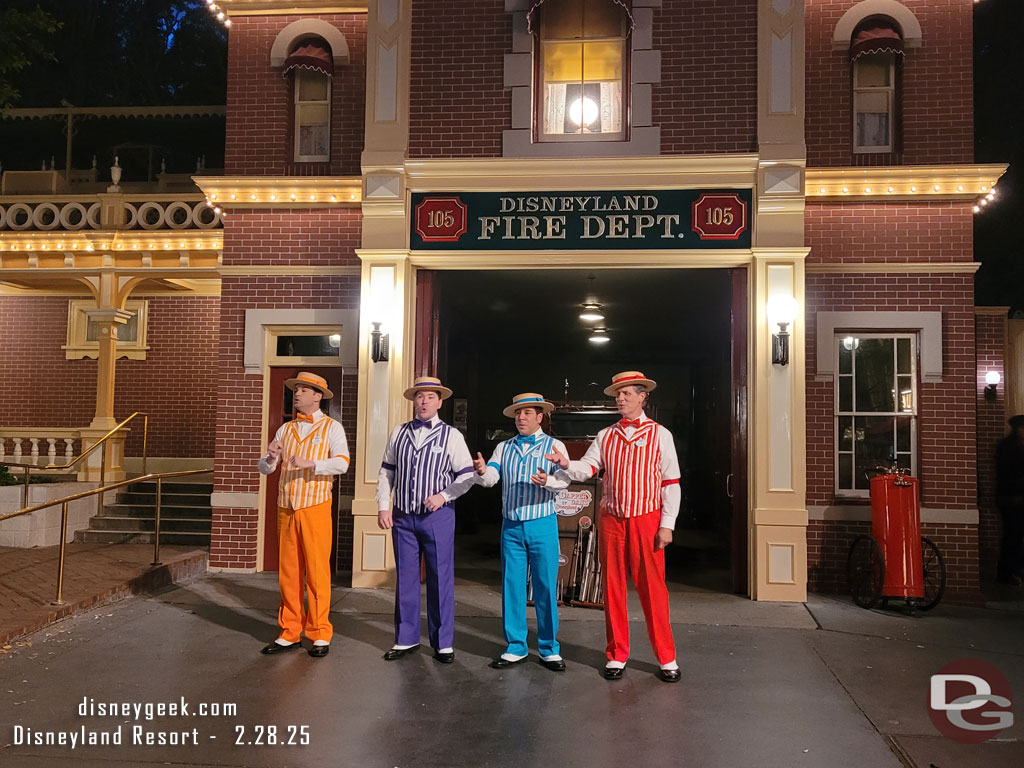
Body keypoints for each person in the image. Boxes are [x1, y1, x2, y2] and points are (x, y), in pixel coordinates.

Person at [546, 370, 681, 683]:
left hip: (647, 519)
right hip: (612, 520)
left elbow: (671, 483)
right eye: (618, 394)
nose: (621, 399)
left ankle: (667, 656)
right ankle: (617, 654)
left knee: (654, 590)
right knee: (613, 589)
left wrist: (667, 524)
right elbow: (589, 467)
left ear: (642, 396)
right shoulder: (606, 435)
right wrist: (567, 464)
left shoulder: (660, 435)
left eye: (627, 394)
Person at [376, 376, 476, 663]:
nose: (423, 401)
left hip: (438, 517)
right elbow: (387, 472)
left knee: (439, 577)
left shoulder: (452, 436)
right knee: (406, 579)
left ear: (439, 402)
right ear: (413, 400)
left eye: (430, 396)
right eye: (420, 396)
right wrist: (384, 506)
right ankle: (405, 639)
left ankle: (443, 642)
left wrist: (444, 495)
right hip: (403, 517)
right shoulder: (399, 432)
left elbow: (467, 476)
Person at [473, 393, 570, 672]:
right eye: (518, 413)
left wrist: (548, 480)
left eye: (527, 413)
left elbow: (564, 481)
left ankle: (549, 647)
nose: (521, 418)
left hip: (542, 523)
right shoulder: (505, 447)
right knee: (512, 586)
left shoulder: (554, 445)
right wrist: (481, 471)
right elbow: (492, 478)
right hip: (512, 526)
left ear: (540, 417)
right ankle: (516, 645)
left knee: (545, 586)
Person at [257, 372, 349, 658]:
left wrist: (313, 463)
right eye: (296, 389)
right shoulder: (285, 429)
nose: (296, 394)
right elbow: (266, 469)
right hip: (286, 506)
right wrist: (271, 457)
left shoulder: (332, 428)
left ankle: (320, 631)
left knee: (317, 571)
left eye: (303, 390)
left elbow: (342, 463)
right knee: (289, 572)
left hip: (316, 505)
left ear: (317, 396)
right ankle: (290, 631)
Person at [996, 414, 1024, 586]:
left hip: (1013, 497)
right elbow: (1008, 475)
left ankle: (1012, 568)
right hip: (1011, 498)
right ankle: (1007, 572)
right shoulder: (1009, 447)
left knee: (1014, 535)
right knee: (1012, 535)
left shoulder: (1011, 445)